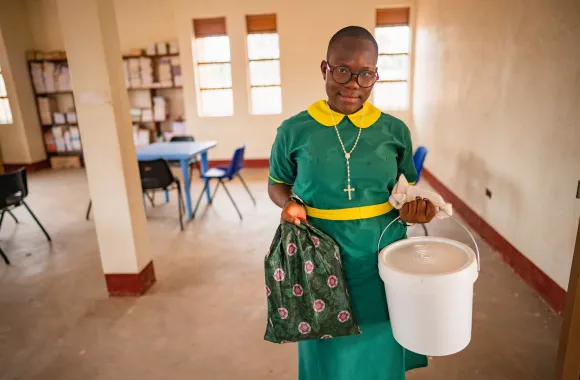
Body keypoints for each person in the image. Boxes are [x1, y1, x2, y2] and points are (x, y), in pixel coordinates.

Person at [267, 26, 437, 380]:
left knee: (381, 335)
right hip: (319, 255)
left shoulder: (394, 130)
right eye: (341, 70)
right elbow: (276, 184)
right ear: (324, 69)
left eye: (365, 73)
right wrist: (288, 203)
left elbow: (405, 189)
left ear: (376, 75)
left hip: (381, 250)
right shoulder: (294, 130)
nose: (353, 83)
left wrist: (412, 209)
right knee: (327, 346)